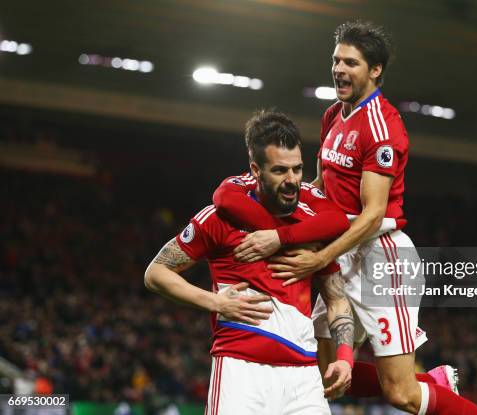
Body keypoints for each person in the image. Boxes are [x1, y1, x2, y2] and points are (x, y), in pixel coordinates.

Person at [218, 21, 477, 415]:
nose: (339, 69)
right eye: (336, 60)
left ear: (374, 70)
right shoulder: (333, 116)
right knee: (325, 376)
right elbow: (319, 186)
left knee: (401, 395)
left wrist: (315, 257)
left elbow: (372, 213)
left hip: (380, 258)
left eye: (351, 62)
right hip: (339, 255)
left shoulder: (383, 126)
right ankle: (434, 382)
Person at [144, 110, 354, 415]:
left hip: (304, 377)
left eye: (297, 169)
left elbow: (337, 299)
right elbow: (156, 273)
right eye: (280, 171)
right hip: (240, 370)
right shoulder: (219, 218)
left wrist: (345, 357)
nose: (292, 181)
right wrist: (215, 302)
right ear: (255, 170)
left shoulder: (313, 225)